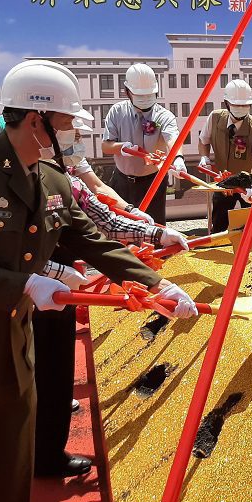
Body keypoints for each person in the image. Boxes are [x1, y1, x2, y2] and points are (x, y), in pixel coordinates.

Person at [0, 62, 197, 502]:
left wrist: (156, 285)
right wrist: (25, 285)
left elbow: (94, 239)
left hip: (13, 352)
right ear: (34, 120)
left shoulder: (51, 179)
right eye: (64, 125)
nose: (72, 136)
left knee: (8, 476)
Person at [31, 117, 189, 478]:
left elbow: (99, 225)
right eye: (69, 126)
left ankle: (47, 454)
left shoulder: (62, 178)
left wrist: (153, 234)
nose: (76, 137)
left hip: (57, 290)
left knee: (55, 367)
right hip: (17, 291)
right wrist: (45, 275)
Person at [0, 61, 150, 222]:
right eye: (67, 122)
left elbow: (95, 188)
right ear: (36, 120)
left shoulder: (57, 163)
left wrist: (129, 211)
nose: (72, 133)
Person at [102, 63, 184, 225]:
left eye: (150, 94)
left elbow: (173, 140)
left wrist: (178, 158)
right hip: (122, 181)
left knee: (154, 228)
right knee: (120, 227)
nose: (145, 99)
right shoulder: (117, 112)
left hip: (152, 181)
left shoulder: (163, 116)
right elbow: (106, 146)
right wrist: (122, 147)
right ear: (127, 92)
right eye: (140, 95)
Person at [198, 79, 252, 232]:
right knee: (219, 224)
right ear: (227, 103)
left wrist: (251, 184)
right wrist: (204, 157)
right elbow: (203, 141)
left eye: (245, 105)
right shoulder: (215, 118)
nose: (241, 108)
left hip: (248, 186)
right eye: (237, 105)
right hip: (223, 180)